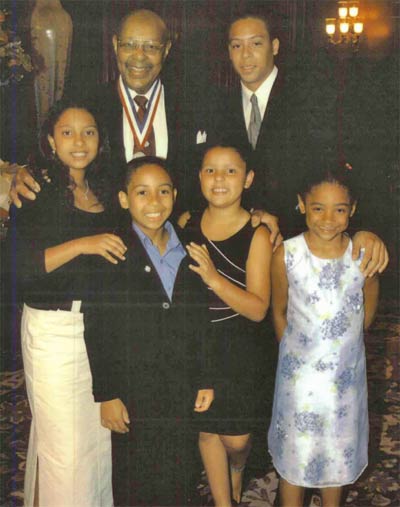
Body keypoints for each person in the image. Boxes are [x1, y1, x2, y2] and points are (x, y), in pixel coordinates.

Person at [7, 98, 127, 506]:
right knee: (65, 453)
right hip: (53, 332)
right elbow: (20, 267)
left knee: (96, 446)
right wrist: (82, 245)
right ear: (50, 141)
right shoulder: (35, 189)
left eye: (88, 131)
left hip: (98, 330)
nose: (79, 141)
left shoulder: (108, 191)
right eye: (68, 132)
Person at [83, 156, 216, 506]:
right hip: (132, 389)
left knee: (181, 472)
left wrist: (204, 377)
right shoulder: (111, 250)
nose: (154, 202)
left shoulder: (191, 248)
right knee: (135, 478)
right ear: (124, 199)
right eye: (142, 192)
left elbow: (200, 320)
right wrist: (107, 394)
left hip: (180, 384)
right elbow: (97, 327)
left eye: (163, 191)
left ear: (175, 195)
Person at [218, 11, 389, 276]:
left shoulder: (316, 95)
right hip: (240, 249)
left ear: (274, 46)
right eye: (236, 45)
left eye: (256, 43)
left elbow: (362, 163)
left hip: (309, 246)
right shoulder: (217, 105)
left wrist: (366, 226)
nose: (246, 54)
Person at [268, 165, 379, 507]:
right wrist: (296, 359)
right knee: (295, 457)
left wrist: (342, 350)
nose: (328, 218)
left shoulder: (362, 257)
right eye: (318, 208)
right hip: (299, 380)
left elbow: (368, 310)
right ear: (301, 204)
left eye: (340, 209)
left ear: (353, 210)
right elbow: (279, 310)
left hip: (344, 379)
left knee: (337, 453)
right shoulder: (287, 254)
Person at [180, 143, 272, 507]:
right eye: (210, 170)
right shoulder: (185, 224)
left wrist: (215, 280)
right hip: (197, 342)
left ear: (248, 179)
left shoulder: (257, 234)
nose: (220, 179)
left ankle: (237, 469)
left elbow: (257, 309)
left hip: (241, 348)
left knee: (236, 440)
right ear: (199, 177)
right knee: (206, 430)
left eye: (231, 171)